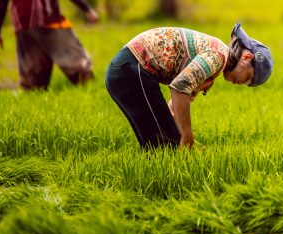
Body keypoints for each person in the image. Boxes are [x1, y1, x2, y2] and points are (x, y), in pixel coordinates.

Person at [105, 24, 273, 149]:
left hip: (124, 72)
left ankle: (151, 191)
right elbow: (180, 87)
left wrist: (184, 141)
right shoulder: (217, 56)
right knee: (167, 145)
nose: (241, 83)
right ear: (246, 56)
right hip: (132, 70)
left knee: (158, 147)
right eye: (247, 78)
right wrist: (187, 136)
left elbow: (173, 108)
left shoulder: (211, 72)